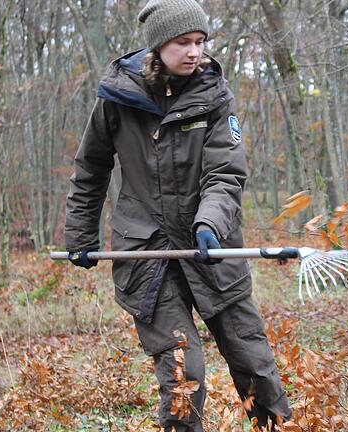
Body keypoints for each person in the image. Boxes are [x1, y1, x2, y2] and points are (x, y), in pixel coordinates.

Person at [63, 1, 291, 429]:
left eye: (201, 42)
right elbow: (90, 168)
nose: (194, 52)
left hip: (212, 249)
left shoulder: (216, 97)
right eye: (183, 42)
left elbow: (226, 171)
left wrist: (209, 222)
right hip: (146, 254)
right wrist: (80, 237)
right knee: (184, 370)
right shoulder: (116, 98)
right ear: (157, 46)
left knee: (254, 361)